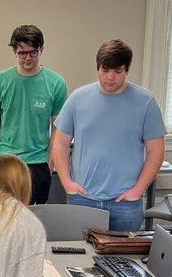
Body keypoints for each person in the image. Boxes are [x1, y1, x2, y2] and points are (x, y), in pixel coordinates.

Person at [52, 38, 166, 232]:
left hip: (125, 202)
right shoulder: (77, 99)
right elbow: (60, 144)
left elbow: (156, 151)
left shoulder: (145, 102)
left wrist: (138, 190)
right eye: (105, 70)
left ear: (127, 70)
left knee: (124, 260)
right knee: (79, 258)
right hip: (83, 198)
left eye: (117, 71)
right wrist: (67, 182)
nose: (110, 77)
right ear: (98, 69)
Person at [0, 24, 68, 204]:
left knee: (34, 219)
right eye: (22, 53)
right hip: (7, 161)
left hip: (38, 164)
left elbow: (57, 128)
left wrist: (50, 163)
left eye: (33, 52)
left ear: (42, 50)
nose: (28, 58)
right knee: (4, 216)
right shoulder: (1, 80)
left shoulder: (56, 83)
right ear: (14, 52)